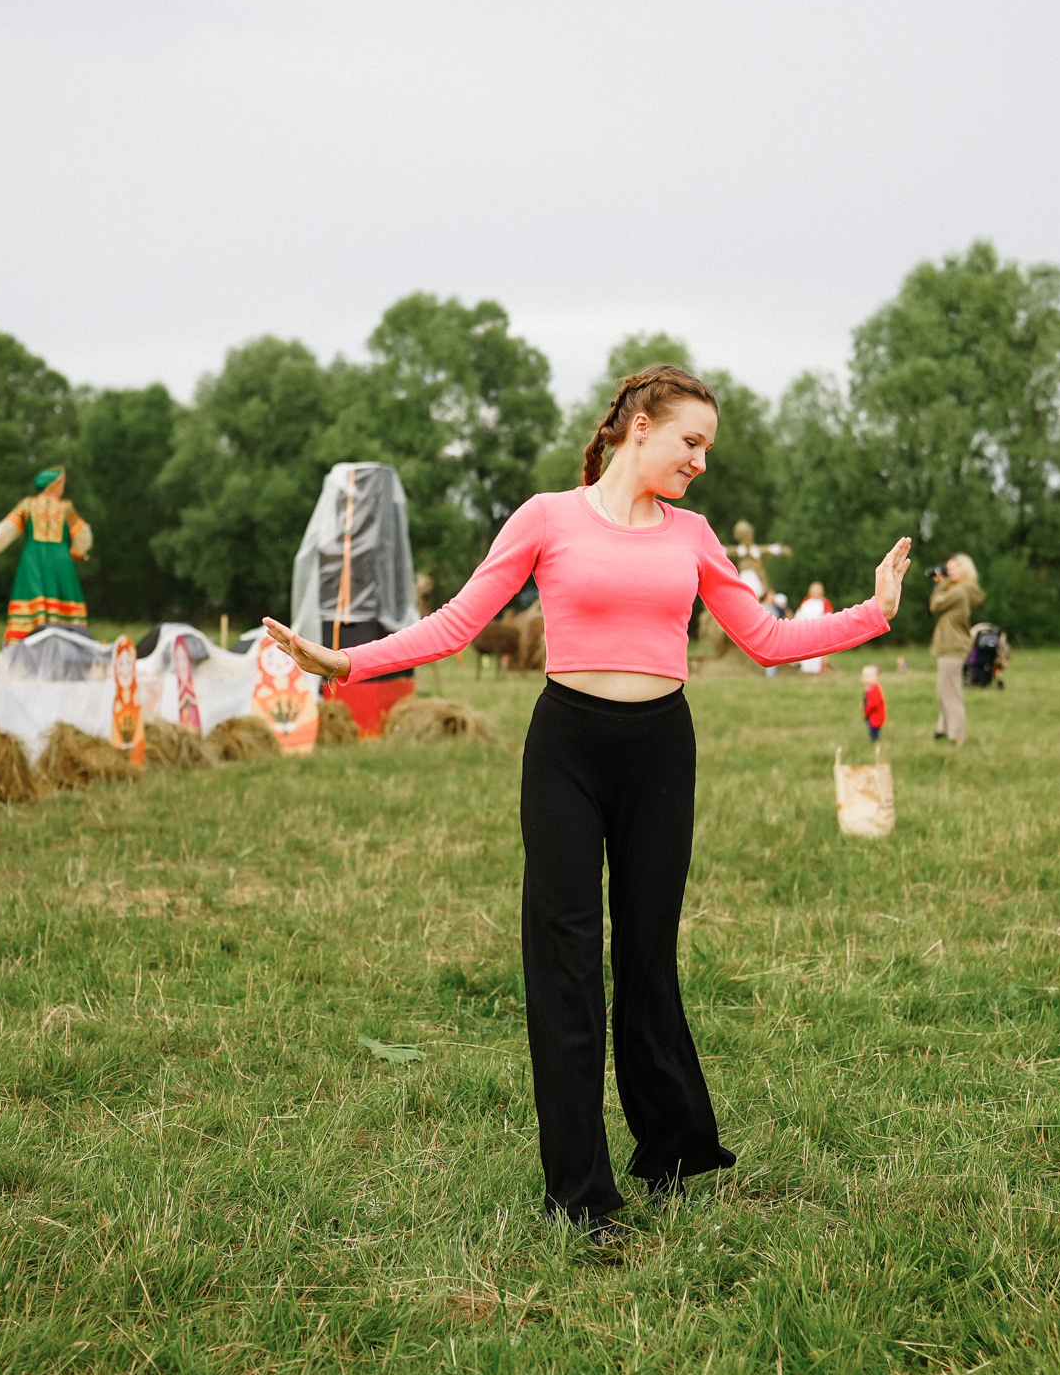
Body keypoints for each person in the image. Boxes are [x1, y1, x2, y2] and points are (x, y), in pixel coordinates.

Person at [259, 365, 912, 1233]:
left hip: (661, 751)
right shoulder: (546, 518)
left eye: (708, 449)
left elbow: (765, 639)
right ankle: (578, 1190)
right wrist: (348, 662)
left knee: (647, 955)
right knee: (564, 961)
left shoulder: (693, 536)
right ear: (640, 427)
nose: (701, 462)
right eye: (691, 442)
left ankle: (672, 1151)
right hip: (566, 748)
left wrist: (873, 611)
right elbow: (457, 621)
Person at [0, 468, 94, 642]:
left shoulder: (28, 506)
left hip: (33, 560)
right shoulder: (66, 508)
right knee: (64, 606)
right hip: (60, 560)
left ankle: (27, 643)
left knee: (33, 602)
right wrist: (77, 552)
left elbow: (5, 531)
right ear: (53, 485)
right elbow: (83, 534)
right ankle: (69, 641)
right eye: (61, 484)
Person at [928, 555, 983, 745]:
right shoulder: (964, 589)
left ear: (964, 569)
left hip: (953, 645)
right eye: (947, 569)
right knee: (946, 690)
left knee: (950, 693)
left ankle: (957, 735)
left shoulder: (959, 591)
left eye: (952, 569)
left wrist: (940, 585)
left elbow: (935, 605)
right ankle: (943, 728)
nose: (948, 572)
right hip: (954, 645)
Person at [795, 582, 832, 674]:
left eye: (818, 590)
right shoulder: (805, 601)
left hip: (818, 631)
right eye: (814, 590)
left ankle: (817, 670)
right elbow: (799, 615)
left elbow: (829, 618)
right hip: (805, 630)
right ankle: (805, 669)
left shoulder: (825, 603)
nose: (816, 592)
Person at [861, 663, 886, 742]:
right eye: (864, 676)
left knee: (873, 730)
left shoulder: (874, 690)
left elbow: (873, 704)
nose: (865, 678)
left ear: (877, 678)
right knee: (870, 728)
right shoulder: (869, 689)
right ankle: (874, 740)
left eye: (868, 676)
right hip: (870, 715)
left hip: (874, 716)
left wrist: (866, 711)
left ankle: (875, 741)